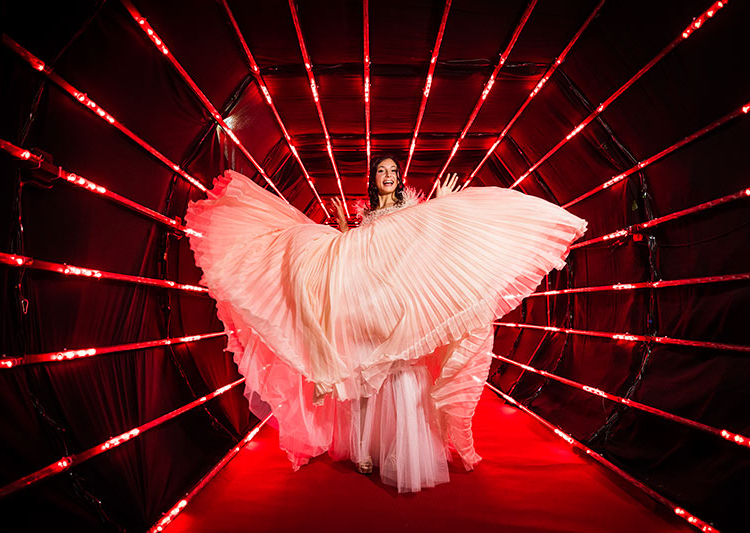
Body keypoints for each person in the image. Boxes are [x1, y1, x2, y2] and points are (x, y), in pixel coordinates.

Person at [185, 154, 587, 492]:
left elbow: (423, 242)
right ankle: (364, 450)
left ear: (400, 178)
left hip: (398, 304)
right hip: (368, 305)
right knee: (364, 377)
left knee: (402, 373)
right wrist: (343, 228)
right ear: (374, 180)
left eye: (393, 171)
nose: (389, 176)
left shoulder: (412, 210)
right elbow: (358, 257)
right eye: (382, 171)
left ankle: (402, 449)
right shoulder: (369, 216)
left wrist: (442, 205)